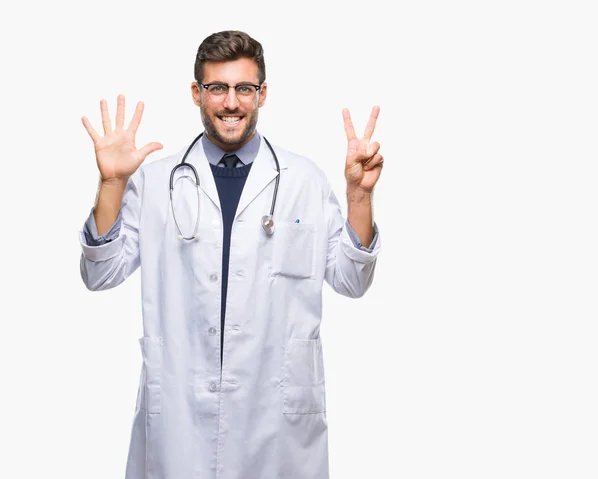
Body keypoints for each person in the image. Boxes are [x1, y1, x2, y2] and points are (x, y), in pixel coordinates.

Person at [79, 30, 384, 479]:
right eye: (217, 88)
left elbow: (351, 281)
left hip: (275, 418)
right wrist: (111, 185)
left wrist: (359, 196)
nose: (231, 103)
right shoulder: (156, 181)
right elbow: (100, 274)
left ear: (262, 94)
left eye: (244, 88)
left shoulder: (303, 180)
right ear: (196, 93)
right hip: (181, 416)